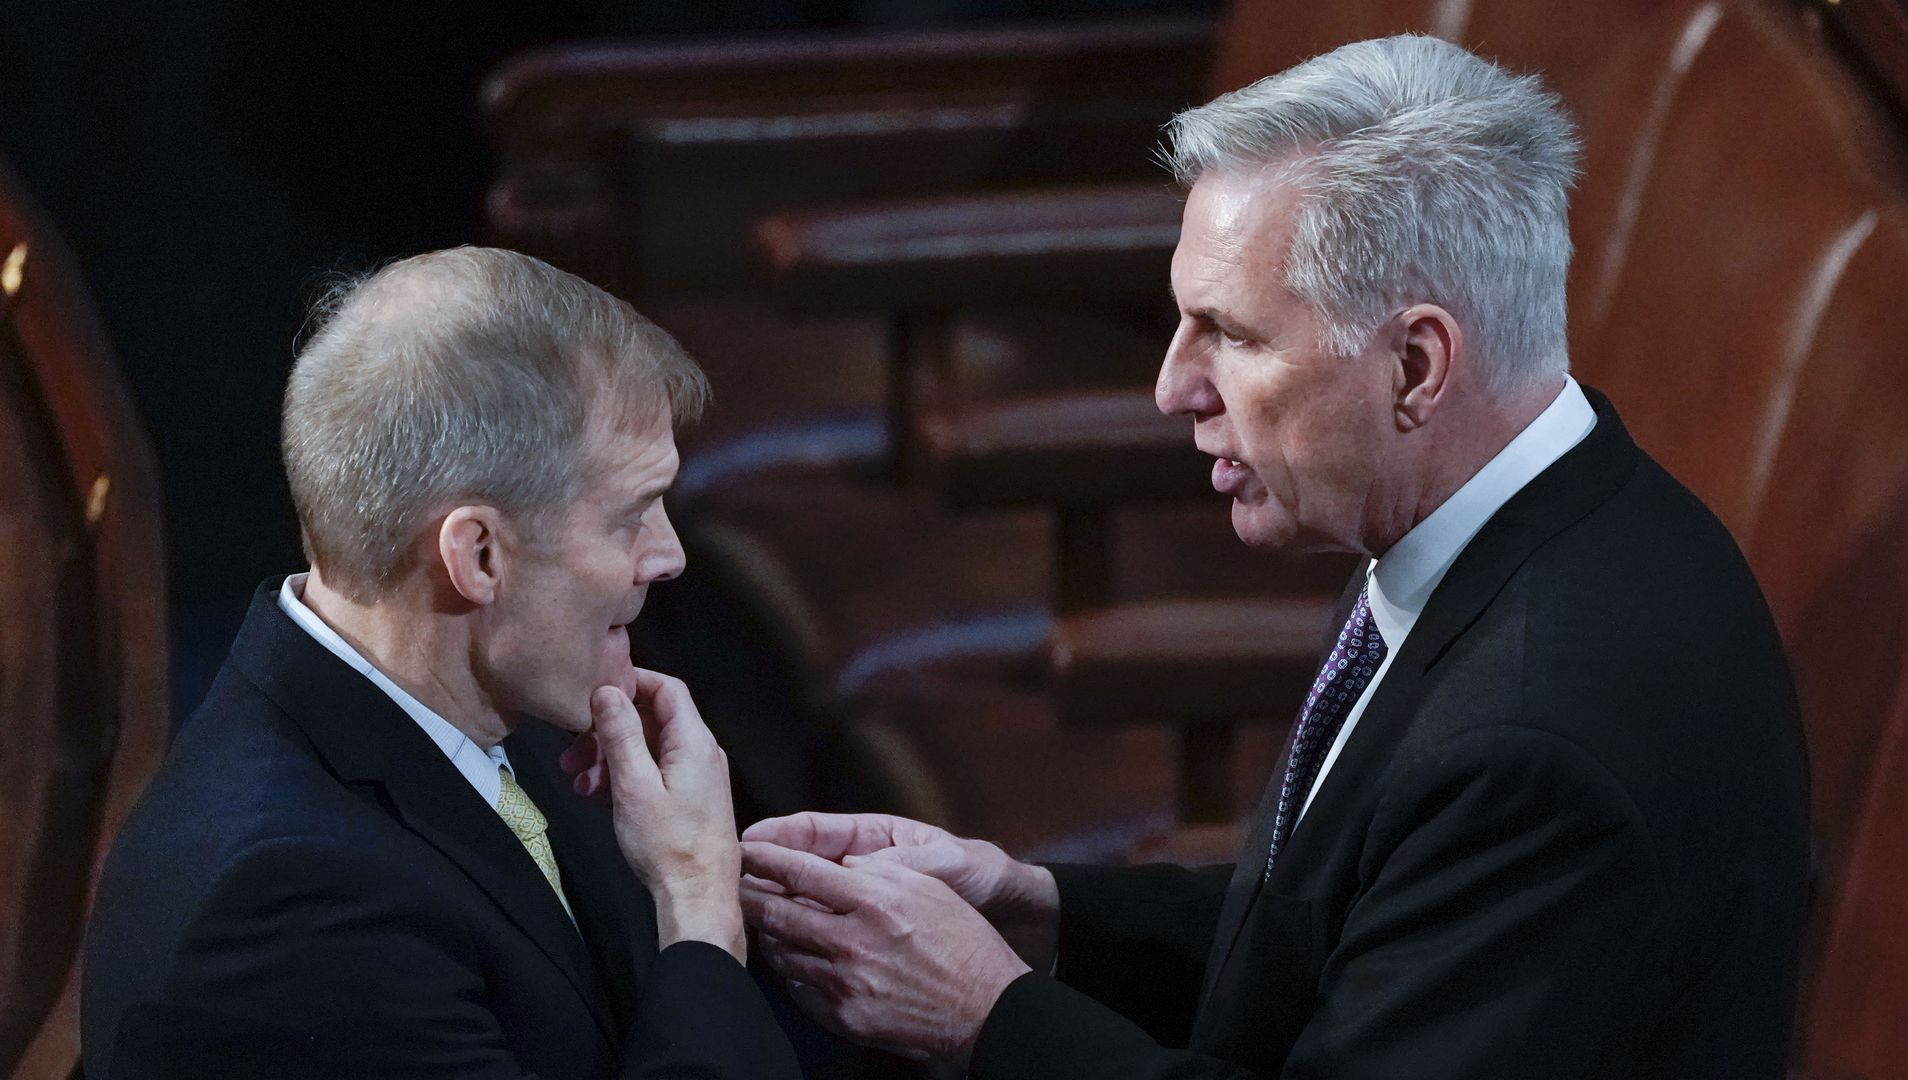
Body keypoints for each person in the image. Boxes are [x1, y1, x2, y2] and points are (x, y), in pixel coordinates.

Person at [736, 34, 1809, 1079]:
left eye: (1233, 335)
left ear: (1416, 366)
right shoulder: (1510, 513)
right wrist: (1039, 909)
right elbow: (1353, 929)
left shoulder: (1535, 749)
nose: (1173, 387)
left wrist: (986, 1017)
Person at [82, 248, 801, 1079]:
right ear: (480, 556)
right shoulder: (294, 916)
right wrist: (699, 907)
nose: (669, 555)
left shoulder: (495, 706)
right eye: (632, 515)